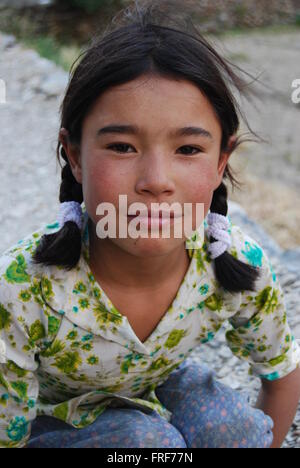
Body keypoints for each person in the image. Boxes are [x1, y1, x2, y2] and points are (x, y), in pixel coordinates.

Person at [0, 0, 300, 449]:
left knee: (232, 430)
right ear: (76, 155)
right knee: (144, 442)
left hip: (151, 388)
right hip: (52, 418)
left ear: (222, 160)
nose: (156, 181)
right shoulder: (23, 289)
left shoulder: (234, 266)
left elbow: (282, 374)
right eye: (122, 146)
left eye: (188, 150)